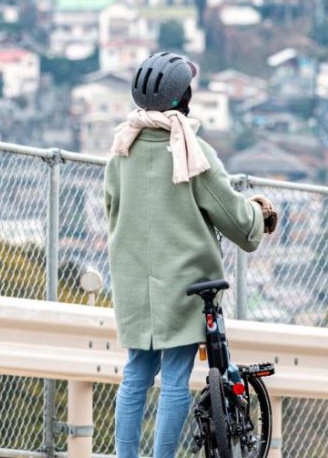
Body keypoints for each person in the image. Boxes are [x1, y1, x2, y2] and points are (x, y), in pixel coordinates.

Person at [105, 52, 278, 458]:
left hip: (132, 278)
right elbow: (235, 217)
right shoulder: (192, 153)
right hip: (185, 283)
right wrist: (261, 213)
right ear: (184, 97)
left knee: (135, 375)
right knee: (177, 376)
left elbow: (113, 211)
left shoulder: (121, 150)